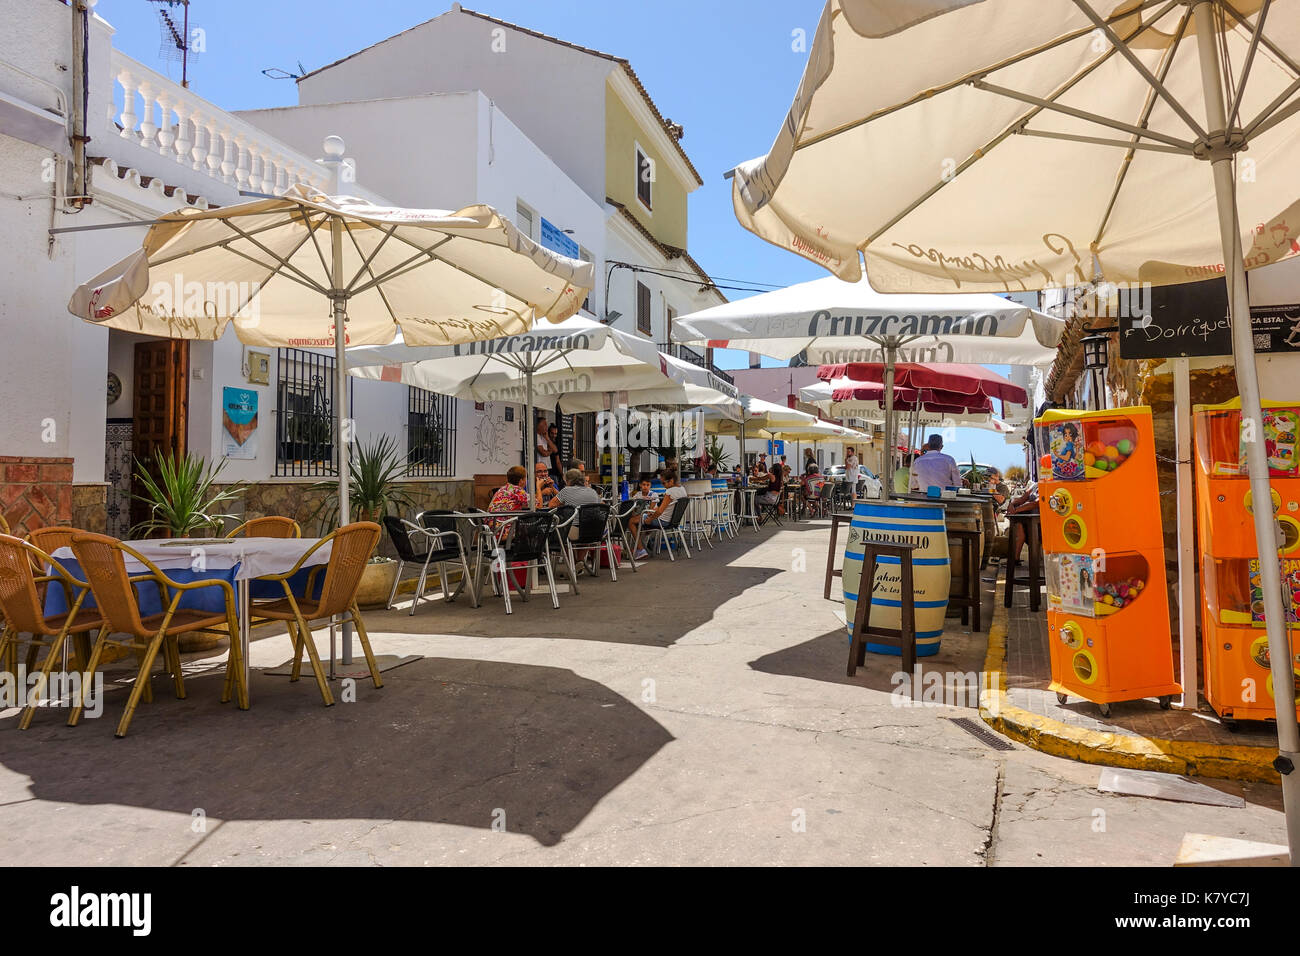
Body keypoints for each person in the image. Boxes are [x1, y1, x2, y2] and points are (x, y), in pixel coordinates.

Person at [488, 465, 531, 537]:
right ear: (521, 481)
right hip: (503, 531)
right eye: (525, 478)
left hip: (490, 530)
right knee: (534, 529)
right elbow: (537, 505)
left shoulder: (502, 489)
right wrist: (539, 487)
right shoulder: (518, 491)